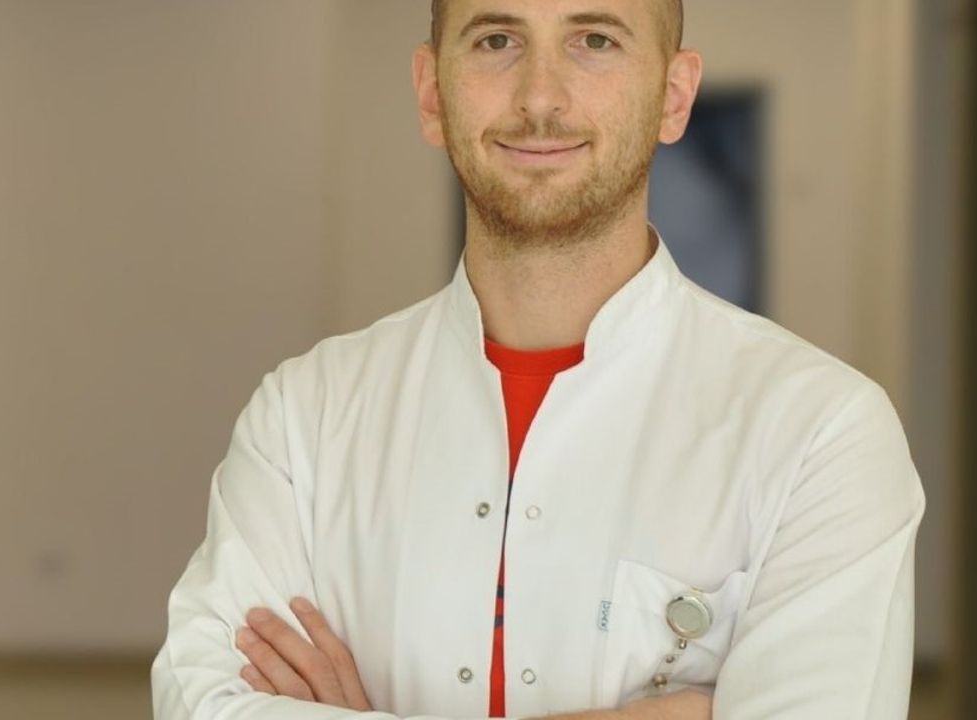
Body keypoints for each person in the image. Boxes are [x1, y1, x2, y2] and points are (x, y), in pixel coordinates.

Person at [150, 1, 926, 718]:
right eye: (497, 40)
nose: (540, 97)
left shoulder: (820, 432)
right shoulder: (305, 417)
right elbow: (200, 702)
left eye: (595, 40)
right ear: (431, 92)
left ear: (673, 96)